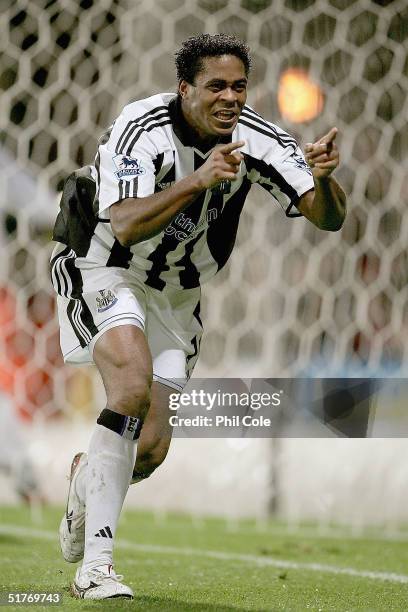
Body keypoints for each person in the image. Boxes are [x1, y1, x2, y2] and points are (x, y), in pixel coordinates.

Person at [50, 33, 346, 600]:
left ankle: (88, 477)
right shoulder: (142, 128)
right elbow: (128, 224)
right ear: (184, 88)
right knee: (130, 386)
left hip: (178, 295)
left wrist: (326, 180)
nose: (229, 98)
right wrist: (198, 179)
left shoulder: (257, 138)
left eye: (239, 86)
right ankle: (97, 566)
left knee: (152, 448)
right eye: (216, 86)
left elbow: (326, 218)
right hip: (104, 265)